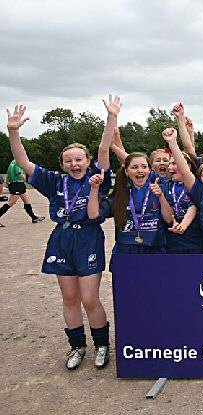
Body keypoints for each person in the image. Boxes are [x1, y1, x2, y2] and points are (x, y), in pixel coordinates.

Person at [7, 98, 118, 370]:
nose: (74, 164)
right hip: (62, 239)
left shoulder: (97, 176)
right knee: (69, 298)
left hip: (88, 237)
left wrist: (111, 118)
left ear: (87, 161)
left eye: (79, 159)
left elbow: (104, 148)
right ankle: (77, 346)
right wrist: (13, 132)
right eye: (69, 161)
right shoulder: (55, 181)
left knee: (90, 298)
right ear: (63, 164)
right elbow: (23, 161)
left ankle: (101, 344)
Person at [98, 152, 172, 257]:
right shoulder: (120, 193)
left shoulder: (160, 190)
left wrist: (161, 197)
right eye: (134, 167)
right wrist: (94, 188)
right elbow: (94, 215)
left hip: (154, 250)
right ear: (127, 172)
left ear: (149, 170)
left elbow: (169, 220)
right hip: (126, 250)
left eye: (144, 167)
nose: (140, 170)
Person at [0, 159, 46, 225]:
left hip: (19, 184)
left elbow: (8, 172)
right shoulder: (18, 162)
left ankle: (34, 217)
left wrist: (7, 182)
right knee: (11, 202)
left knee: (26, 201)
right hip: (17, 184)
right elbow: (19, 173)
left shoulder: (12, 162)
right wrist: (29, 182)